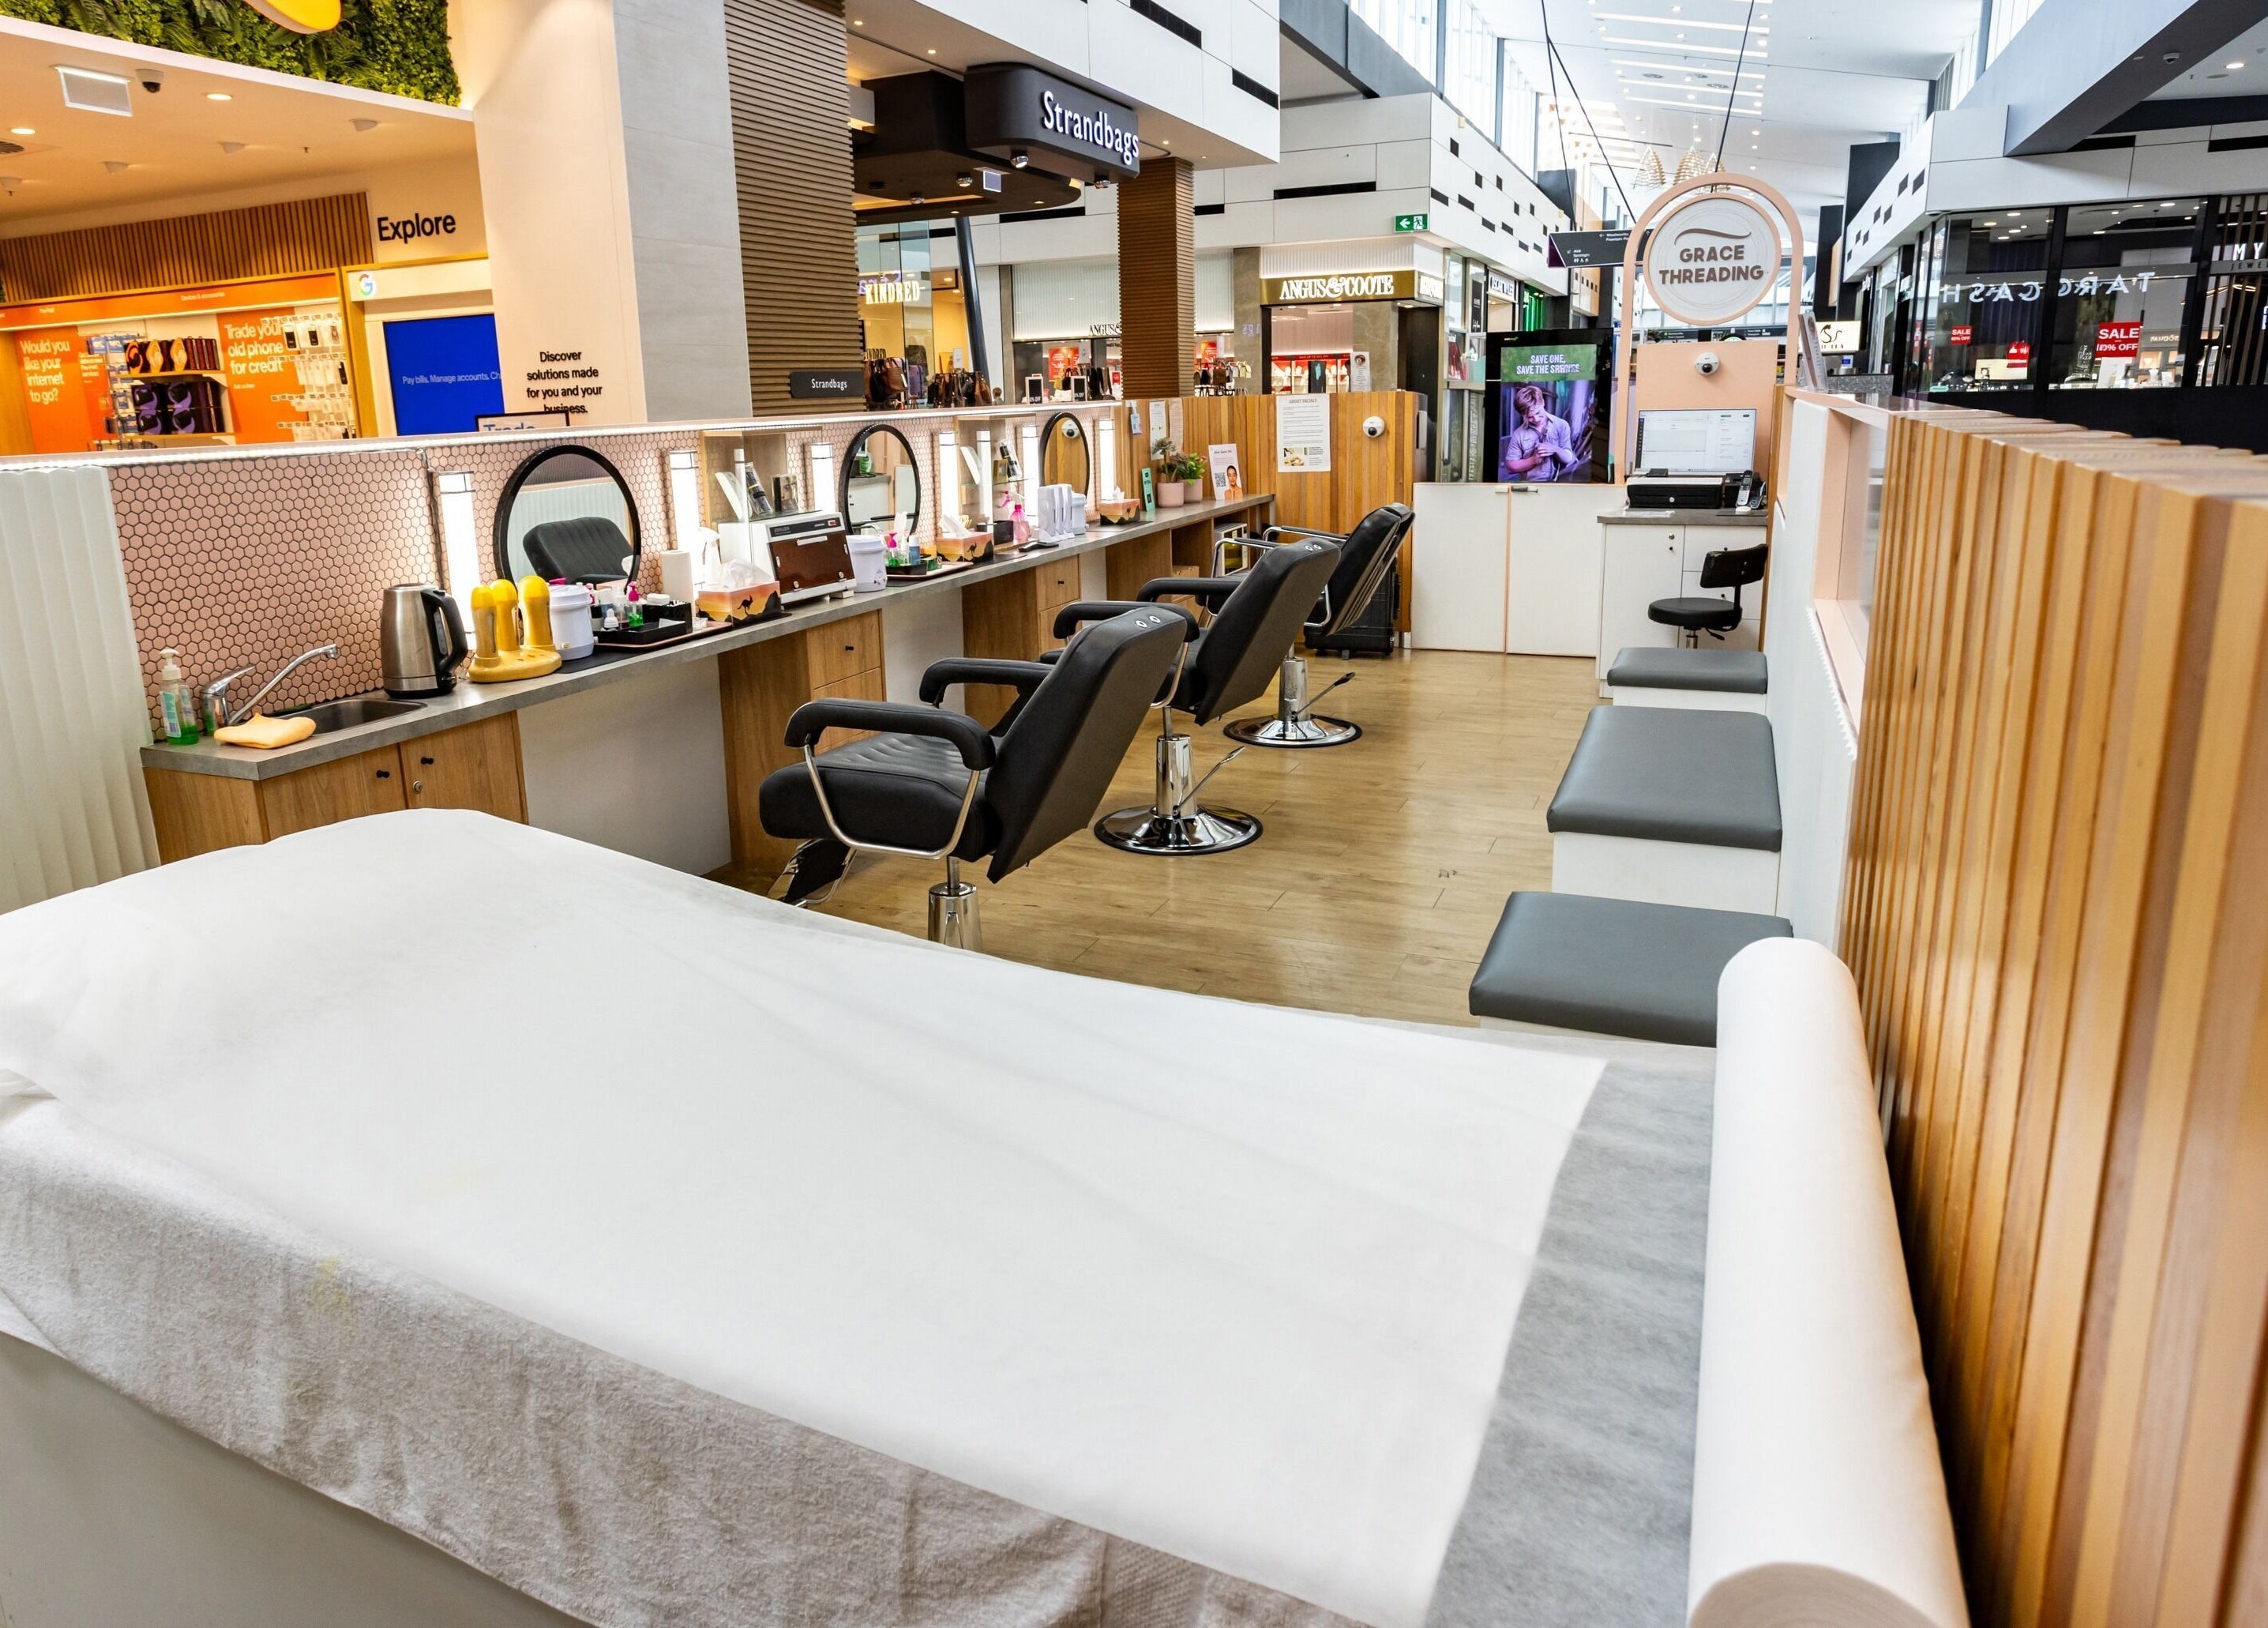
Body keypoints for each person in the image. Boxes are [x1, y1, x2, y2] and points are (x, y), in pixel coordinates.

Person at [1500, 383, 1579, 481]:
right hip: (1532, 487)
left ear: (1543, 403)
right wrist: (1533, 460)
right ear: (1523, 415)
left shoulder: (1562, 425)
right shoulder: (1518, 434)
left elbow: (1568, 458)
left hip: (1559, 485)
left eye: (1538, 413)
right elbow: (1511, 467)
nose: (1536, 419)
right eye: (1530, 417)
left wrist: (1555, 449)